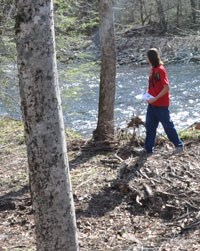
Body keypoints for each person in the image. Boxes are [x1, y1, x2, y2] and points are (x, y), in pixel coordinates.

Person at [144, 48, 183, 154]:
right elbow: (153, 86)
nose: (146, 59)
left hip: (161, 104)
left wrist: (155, 98)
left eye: (147, 57)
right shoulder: (152, 69)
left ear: (150, 58)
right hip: (152, 104)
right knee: (150, 126)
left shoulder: (160, 70)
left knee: (167, 126)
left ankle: (179, 146)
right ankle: (148, 149)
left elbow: (166, 87)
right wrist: (147, 96)